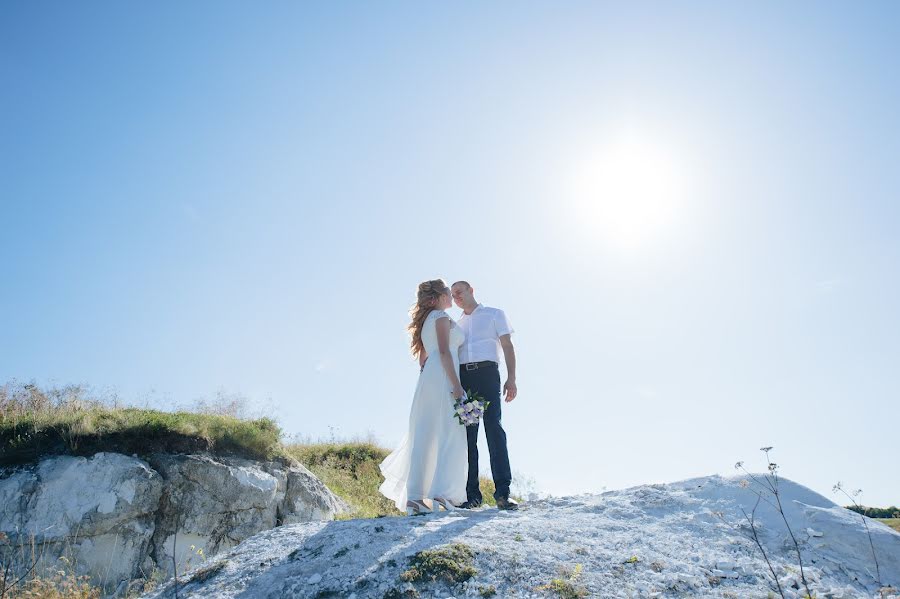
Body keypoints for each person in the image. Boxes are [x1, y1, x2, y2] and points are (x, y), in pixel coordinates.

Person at [379, 279, 468, 515]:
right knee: (449, 432)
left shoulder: (427, 320)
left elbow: (423, 358)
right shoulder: (439, 317)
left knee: (425, 434)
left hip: (429, 377)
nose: (451, 295)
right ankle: (441, 495)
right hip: (442, 376)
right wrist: (456, 386)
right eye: (447, 292)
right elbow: (443, 351)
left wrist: (430, 378)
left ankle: (416, 499)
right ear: (437, 297)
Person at [450, 281, 519, 511]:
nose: (456, 296)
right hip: (465, 381)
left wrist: (512, 378)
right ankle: (473, 496)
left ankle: (503, 493)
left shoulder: (494, 314)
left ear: (471, 290)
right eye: (453, 295)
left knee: (493, 429)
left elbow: (508, 346)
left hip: (488, 375)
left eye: (459, 291)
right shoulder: (457, 324)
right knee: (469, 435)